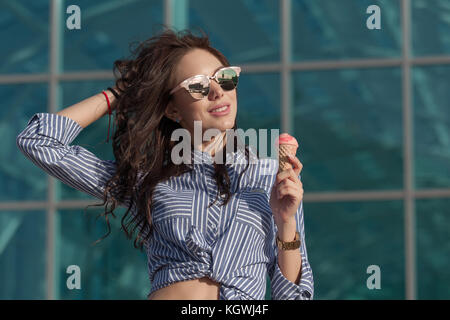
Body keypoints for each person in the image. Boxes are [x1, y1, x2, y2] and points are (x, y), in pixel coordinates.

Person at [16, 28, 314, 300]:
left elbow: (294, 297)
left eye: (224, 77)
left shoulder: (271, 177)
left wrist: (286, 222)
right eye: (197, 86)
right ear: (172, 109)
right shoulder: (146, 179)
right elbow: (40, 142)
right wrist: (118, 96)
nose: (217, 91)